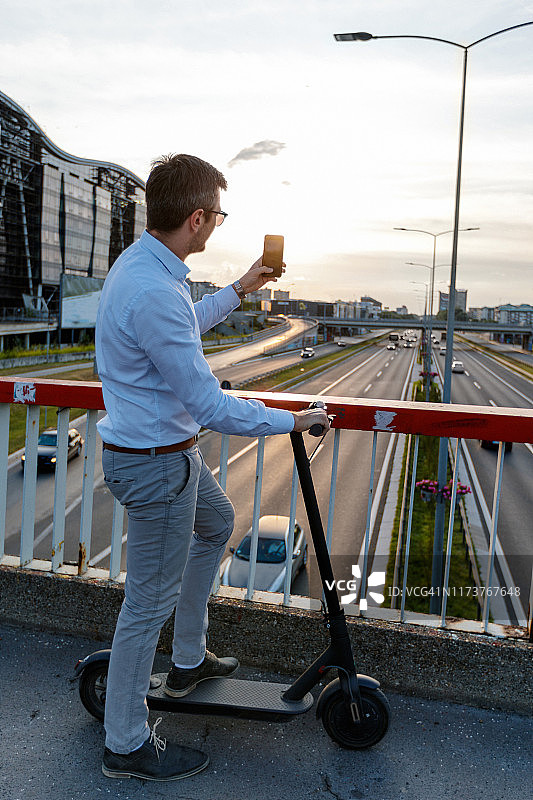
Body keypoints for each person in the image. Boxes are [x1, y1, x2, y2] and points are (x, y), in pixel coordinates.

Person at [95, 153, 329, 782]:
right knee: (146, 605)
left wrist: (243, 287)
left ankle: (190, 658)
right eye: (219, 215)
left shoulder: (147, 267)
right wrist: (290, 421)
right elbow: (208, 404)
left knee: (217, 523)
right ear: (196, 218)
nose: (219, 224)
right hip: (156, 465)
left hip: (165, 455)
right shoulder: (153, 288)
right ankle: (125, 743)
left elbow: (183, 325)